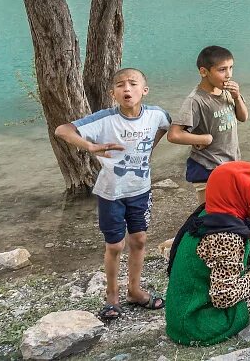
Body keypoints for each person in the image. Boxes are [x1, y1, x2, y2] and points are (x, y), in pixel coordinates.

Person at [54, 68, 171, 321]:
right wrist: (90, 146)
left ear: (144, 90)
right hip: (111, 193)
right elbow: (62, 130)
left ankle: (135, 291)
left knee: (139, 240)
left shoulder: (155, 114)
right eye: (120, 85)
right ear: (113, 93)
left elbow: (169, 126)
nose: (126, 89)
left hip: (141, 190)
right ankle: (112, 297)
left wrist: (150, 148)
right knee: (115, 245)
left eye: (132, 84)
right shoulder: (105, 119)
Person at [164, 161, 250, 346]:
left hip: (184, 315)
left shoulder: (215, 214)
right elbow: (224, 296)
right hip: (197, 323)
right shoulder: (226, 236)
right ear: (237, 192)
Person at [168, 45, 249, 183]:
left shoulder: (227, 92)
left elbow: (243, 117)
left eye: (231, 67)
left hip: (230, 162)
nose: (229, 74)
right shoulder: (196, 100)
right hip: (207, 167)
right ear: (204, 72)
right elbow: (174, 135)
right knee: (208, 205)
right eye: (222, 70)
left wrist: (237, 97)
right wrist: (204, 139)